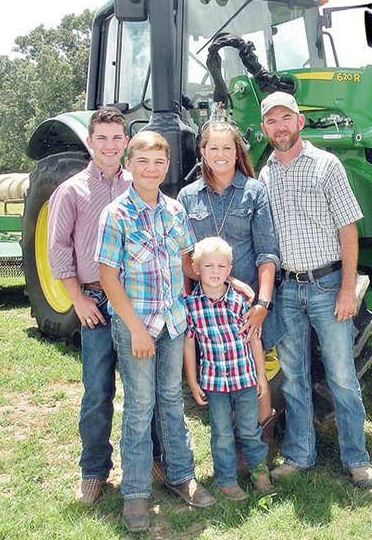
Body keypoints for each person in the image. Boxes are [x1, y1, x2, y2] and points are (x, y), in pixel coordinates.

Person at [95, 131, 216, 533]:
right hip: (138, 327)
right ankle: (135, 494)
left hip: (173, 322)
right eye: (143, 162)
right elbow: (108, 278)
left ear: (167, 167)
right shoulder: (117, 214)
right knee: (139, 406)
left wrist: (224, 280)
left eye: (159, 162)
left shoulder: (175, 211)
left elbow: (186, 263)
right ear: (129, 165)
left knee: (170, 401)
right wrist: (136, 330)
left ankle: (182, 476)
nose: (151, 169)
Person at [257, 91, 372, 489]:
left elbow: (348, 229)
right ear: (264, 128)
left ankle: (356, 459)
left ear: (300, 122)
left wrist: (347, 289)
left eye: (285, 118)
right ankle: (299, 455)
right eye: (272, 120)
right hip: (289, 289)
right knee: (293, 378)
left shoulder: (327, 166)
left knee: (342, 375)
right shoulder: (266, 174)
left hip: (328, 286)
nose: (280, 126)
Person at [47, 106, 131, 506]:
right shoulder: (72, 190)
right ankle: (93, 472)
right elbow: (58, 249)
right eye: (103, 138)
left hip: (134, 300)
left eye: (117, 137)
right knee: (97, 392)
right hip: (95, 300)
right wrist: (77, 298)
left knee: (141, 390)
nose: (110, 145)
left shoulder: (139, 185)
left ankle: (150, 462)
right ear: (90, 141)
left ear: (126, 142)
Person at [177, 118, 280, 441]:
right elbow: (184, 258)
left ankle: (259, 449)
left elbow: (267, 254)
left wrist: (262, 303)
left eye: (227, 148)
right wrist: (221, 283)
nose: (220, 154)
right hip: (208, 308)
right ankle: (231, 447)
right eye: (213, 148)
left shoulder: (254, 191)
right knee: (219, 371)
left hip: (247, 308)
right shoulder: (187, 197)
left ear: (237, 153)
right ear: (203, 152)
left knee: (256, 368)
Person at [183, 236, 274, 500]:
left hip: (244, 379)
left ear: (229, 270)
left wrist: (261, 376)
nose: (215, 272)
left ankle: (259, 471)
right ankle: (226, 479)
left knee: (249, 429)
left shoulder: (239, 302)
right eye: (208, 266)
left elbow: (253, 338)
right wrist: (192, 380)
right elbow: (189, 347)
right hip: (215, 383)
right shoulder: (191, 306)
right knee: (222, 433)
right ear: (197, 269)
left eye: (221, 267)